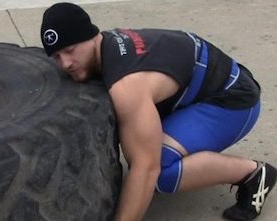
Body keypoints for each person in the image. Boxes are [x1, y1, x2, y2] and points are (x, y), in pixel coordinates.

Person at [40, 3, 277, 221]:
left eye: (70, 50)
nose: (65, 63)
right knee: (141, 144)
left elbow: (147, 168)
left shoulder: (127, 83)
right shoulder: (107, 44)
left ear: (91, 36)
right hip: (202, 81)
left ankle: (254, 173)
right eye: (57, 56)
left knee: (161, 172)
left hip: (233, 100)